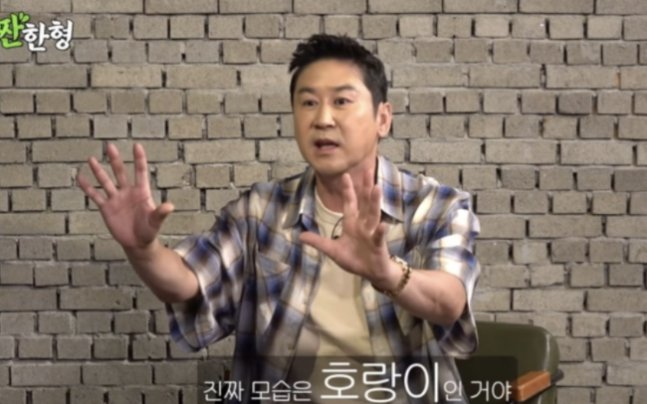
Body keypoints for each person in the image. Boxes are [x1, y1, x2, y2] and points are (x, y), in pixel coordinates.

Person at [77, 34, 481, 404]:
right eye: (308, 103)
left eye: (342, 101)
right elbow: (190, 282)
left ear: (382, 118)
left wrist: (386, 272)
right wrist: (143, 249)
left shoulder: (437, 205)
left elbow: (448, 302)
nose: (323, 118)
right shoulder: (261, 210)